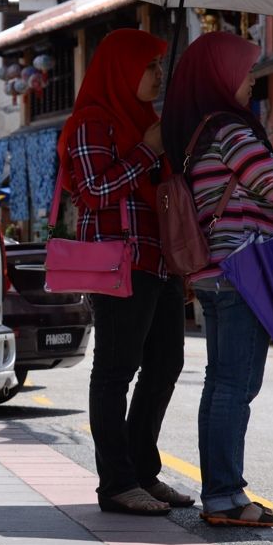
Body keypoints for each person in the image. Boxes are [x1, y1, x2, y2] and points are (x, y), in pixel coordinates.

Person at [163, 31, 273, 528]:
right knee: (234, 387)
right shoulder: (230, 129)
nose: (253, 80)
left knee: (222, 385)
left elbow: (256, 182)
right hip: (243, 273)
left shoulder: (201, 131)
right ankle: (223, 496)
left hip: (214, 274)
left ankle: (221, 492)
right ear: (221, 76)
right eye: (245, 71)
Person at [58, 29, 188, 516]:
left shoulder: (151, 122)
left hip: (160, 262)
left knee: (165, 366)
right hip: (120, 265)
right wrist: (148, 151)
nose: (158, 74)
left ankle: (142, 472)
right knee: (115, 371)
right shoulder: (94, 121)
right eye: (149, 66)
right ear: (122, 70)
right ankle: (116, 482)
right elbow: (92, 190)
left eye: (159, 66)